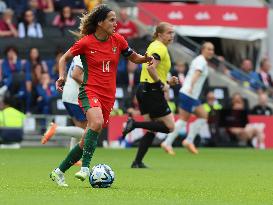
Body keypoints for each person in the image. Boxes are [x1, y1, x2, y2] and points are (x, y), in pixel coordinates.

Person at [49, 4, 153, 187]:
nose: (116, 23)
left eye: (115, 20)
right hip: (89, 90)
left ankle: (58, 172)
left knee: (85, 142)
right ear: (100, 22)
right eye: (112, 20)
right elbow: (64, 58)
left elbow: (133, 57)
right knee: (95, 123)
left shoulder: (118, 40)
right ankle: (86, 169)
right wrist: (61, 76)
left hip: (108, 96)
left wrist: (145, 59)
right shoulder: (86, 42)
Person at [122, 22, 178, 168]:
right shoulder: (160, 48)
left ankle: (137, 162)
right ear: (160, 34)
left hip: (143, 89)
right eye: (169, 33)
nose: (172, 36)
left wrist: (167, 81)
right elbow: (151, 67)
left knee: (152, 128)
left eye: (173, 33)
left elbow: (151, 70)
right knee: (169, 127)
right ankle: (134, 123)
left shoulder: (154, 46)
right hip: (152, 90)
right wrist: (161, 84)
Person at [161, 42, 215, 155]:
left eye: (212, 49)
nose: (211, 51)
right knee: (186, 119)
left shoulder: (200, 60)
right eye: (209, 49)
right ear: (203, 49)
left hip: (190, 95)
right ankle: (170, 142)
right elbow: (196, 74)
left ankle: (186, 141)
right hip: (188, 94)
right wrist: (191, 86)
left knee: (202, 115)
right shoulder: (201, 61)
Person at [41, 56, 87, 166]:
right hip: (74, 96)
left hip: (71, 94)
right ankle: (56, 129)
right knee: (87, 132)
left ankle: (73, 156)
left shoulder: (79, 54)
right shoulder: (84, 54)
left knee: (80, 129)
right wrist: (91, 85)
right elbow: (75, 74)